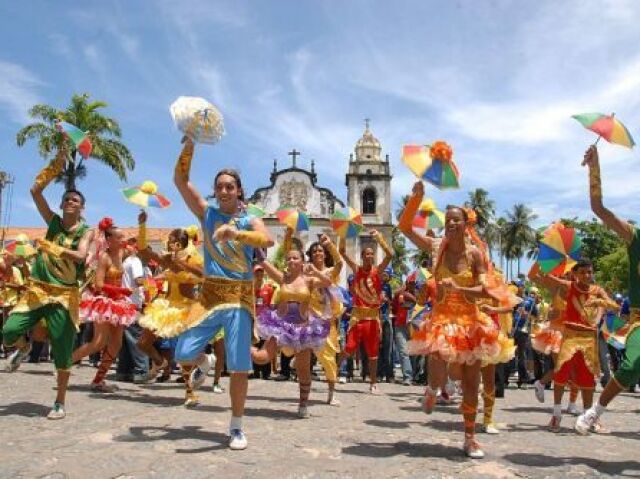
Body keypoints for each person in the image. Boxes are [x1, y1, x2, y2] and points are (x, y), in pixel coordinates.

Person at [173, 136, 274, 450]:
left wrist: (236, 232)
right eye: (220, 186)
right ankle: (203, 361)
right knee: (182, 352)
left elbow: (267, 242)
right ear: (215, 190)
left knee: (239, 365)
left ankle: (236, 426)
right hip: (210, 295)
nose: (225, 190)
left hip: (240, 299)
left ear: (239, 190)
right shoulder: (206, 214)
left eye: (230, 185)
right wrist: (189, 146)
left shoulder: (249, 219)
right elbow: (180, 180)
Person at [399, 180, 503, 459]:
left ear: (466, 224)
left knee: (471, 383)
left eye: (455, 220)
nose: (450, 225)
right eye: (447, 221)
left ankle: (469, 438)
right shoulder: (436, 247)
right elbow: (405, 228)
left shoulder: (475, 254)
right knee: (437, 363)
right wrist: (415, 199)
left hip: (471, 321)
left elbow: (486, 289)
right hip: (442, 320)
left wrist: (459, 289)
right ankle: (432, 389)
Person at [2, 143, 92, 419]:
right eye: (66, 200)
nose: (69, 203)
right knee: (8, 331)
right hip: (38, 291)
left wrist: (54, 248)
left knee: (63, 352)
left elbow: (80, 256)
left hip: (64, 296)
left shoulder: (86, 231)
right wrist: (59, 159)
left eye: (74, 201)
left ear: (81, 208)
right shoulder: (52, 222)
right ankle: (23, 346)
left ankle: (60, 401)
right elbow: (35, 191)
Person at [576, 145, 640, 434]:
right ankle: (595, 412)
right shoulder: (634, 237)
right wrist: (594, 168)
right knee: (629, 368)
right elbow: (599, 209)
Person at [533, 258, 616, 433]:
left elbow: (613, 305)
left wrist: (600, 307)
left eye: (590, 272)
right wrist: (546, 261)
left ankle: (588, 417)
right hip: (570, 337)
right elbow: (542, 275)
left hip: (589, 339)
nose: (587, 275)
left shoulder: (597, 290)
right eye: (583, 272)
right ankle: (556, 415)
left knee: (588, 379)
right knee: (561, 375)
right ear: (575, 274)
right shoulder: (569, 286)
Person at [256, 248, 333, 417]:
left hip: (302, 330)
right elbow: (263, 261)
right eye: (288, 258)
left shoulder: (309, 280)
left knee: (303, 370)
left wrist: (315, 272)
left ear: (302, 261)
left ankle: (303, 405)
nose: (291, 261)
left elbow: (328, 283)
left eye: (295, 258)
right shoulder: (282, 278)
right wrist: (256, 243)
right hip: (281, 327)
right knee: (261, 358)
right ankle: (238, 343)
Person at [74, 217, 138, 392]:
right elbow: (99, 284)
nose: (123, 239)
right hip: (104, 302)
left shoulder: (122, 253)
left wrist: (142, 224)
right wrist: (121, 291)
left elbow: (142, 246)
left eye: (123, 237)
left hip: (118, 304)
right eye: (120, 237)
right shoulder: (104, 257)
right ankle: (64, 364)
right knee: (98, 342)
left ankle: (98, 380)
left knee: (116, 344)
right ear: (109, 240)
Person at [337, 229, 393, 394]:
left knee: (373, 353)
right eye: (366, 254)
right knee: (349, 347)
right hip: (357, 317)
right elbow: (341, 252)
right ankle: (333, 370)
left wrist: (380, 238)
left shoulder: (378, 272)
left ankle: (373, 383)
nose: (369, 256)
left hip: (373, 318)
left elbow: (389, 255)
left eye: (371, 254)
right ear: (362, 257)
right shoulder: (357, 269)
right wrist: (343, 233)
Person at [306, 233, 344, 405]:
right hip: (310, 319)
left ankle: (331, 394)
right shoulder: (307, 272)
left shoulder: (330, 272)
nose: (318, 253)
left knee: (329, 359)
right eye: (314, 251)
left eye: (320, 251)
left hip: (327, 321)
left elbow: (340, 263)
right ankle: (303, 396)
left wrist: (330, 244)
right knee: (303, 354)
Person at [391, 277, 415, 386]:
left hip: (414, 326)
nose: (412, 285)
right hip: (400, 326)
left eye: (413, 283)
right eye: (410, 283)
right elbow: (394, 297)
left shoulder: (420, 293)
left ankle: (416, 375)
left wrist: (412, 297)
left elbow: (420, 302)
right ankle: (408, 376)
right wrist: (403, 291)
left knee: (414, 352)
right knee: (403, 351)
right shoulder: (401, 294)